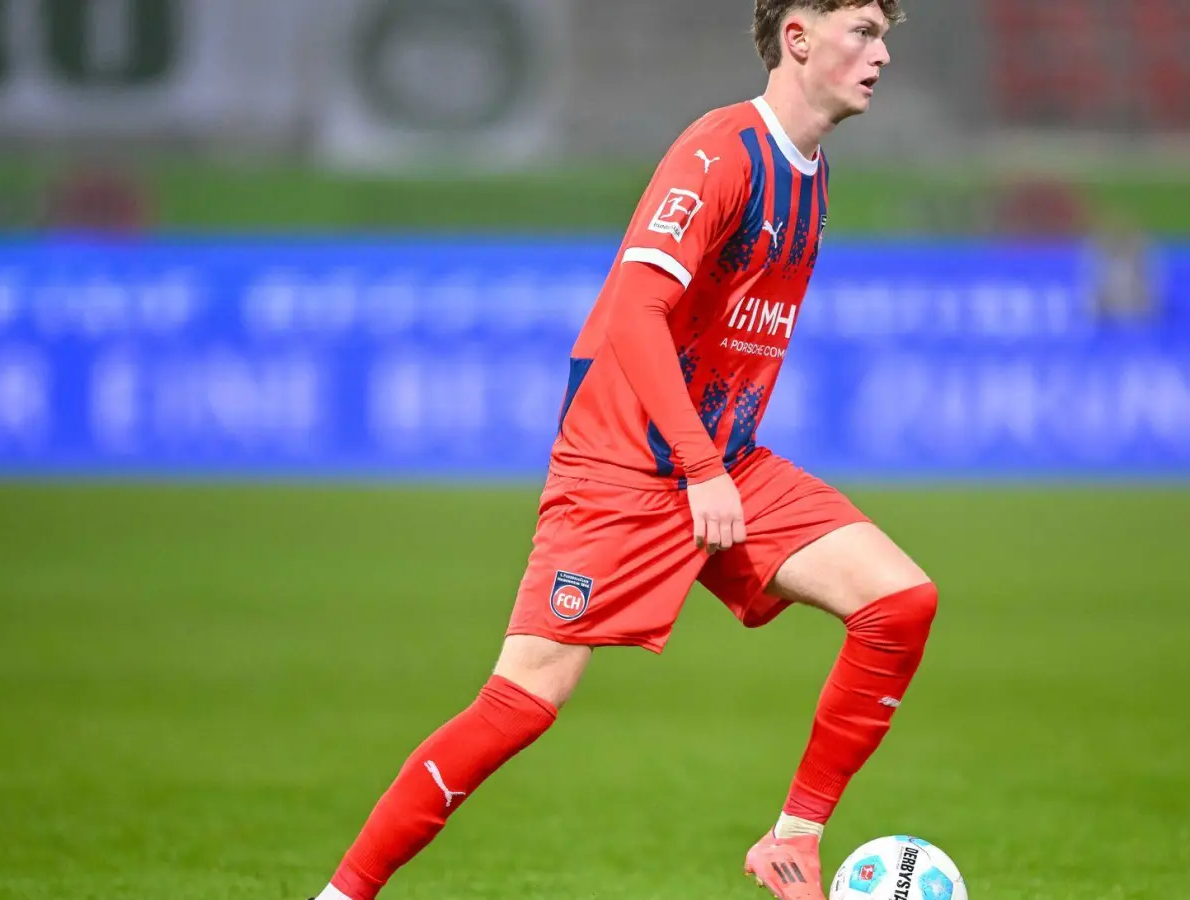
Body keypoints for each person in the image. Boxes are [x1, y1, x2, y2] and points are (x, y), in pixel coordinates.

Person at [312, 3, 933, 899]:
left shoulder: (814, 174)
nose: (881, 55)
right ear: (798, 36)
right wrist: (701, 465)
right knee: (522, 702)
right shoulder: (721, 152)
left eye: (883, 37)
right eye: (864, 33)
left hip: (723, 459)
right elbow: (635, 309)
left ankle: (793, 839)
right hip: (628, 467)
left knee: (900, 602)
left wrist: (717, 462)